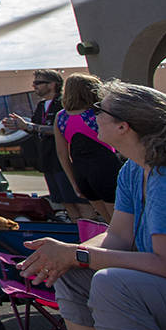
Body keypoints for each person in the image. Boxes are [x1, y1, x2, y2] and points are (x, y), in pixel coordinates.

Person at [18, 80, 166, 330]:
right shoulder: (133, 169)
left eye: (100, 110)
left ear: (123, 127)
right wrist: (66, 257)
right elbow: (118, 237)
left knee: (112, 284)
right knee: (72, 274)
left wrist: (79, 254)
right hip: (162, 286)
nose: (94, 116)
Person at [4, 69, 91, 221]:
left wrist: (30, 126)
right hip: (49, 162)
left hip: (65, 161)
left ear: (52, 84)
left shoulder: (64, 103)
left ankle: (95, 233)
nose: (34, 86)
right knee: (66, 202)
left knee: (81, 202)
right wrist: (20, 126)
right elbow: (36, 128)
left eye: (38, 82)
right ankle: (79, 234)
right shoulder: (41, 106)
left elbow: (60, 129)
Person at [55, 73, 123, 223]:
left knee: (108, 222)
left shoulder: (61, 117)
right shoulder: (96, 114)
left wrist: (74, 182)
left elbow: (62, 153)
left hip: (81, 173)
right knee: (122, 222)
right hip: (106, 169)